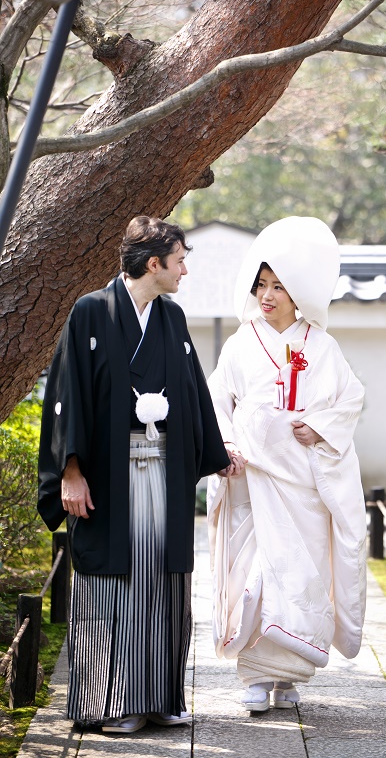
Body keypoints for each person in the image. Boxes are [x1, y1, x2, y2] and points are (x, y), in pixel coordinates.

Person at [38, 216, 231, 734]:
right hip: (108, 476)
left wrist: (217, 451)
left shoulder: (171, 318)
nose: (185, 270)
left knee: (164, 582)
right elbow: (66, 395)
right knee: (114, 584)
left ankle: (160, 697)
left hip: (162, 472)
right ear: (155, 263)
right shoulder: (91, 313)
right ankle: (113, 701)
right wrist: (69, 472)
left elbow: (193, 392)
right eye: (181, 260)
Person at [207, 216, 367, 712]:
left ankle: (289, 673)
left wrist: (318, 426)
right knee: (254, 576)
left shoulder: (321, 346)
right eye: (261, 285)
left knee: (299, 575)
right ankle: (255, 677)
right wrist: (227, 446)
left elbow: (350, 400)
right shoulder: (240, 343)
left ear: (298, 293)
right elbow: (217, 403)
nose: (268, 295)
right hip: (253, 480)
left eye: (278, 286)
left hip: (303, 484)